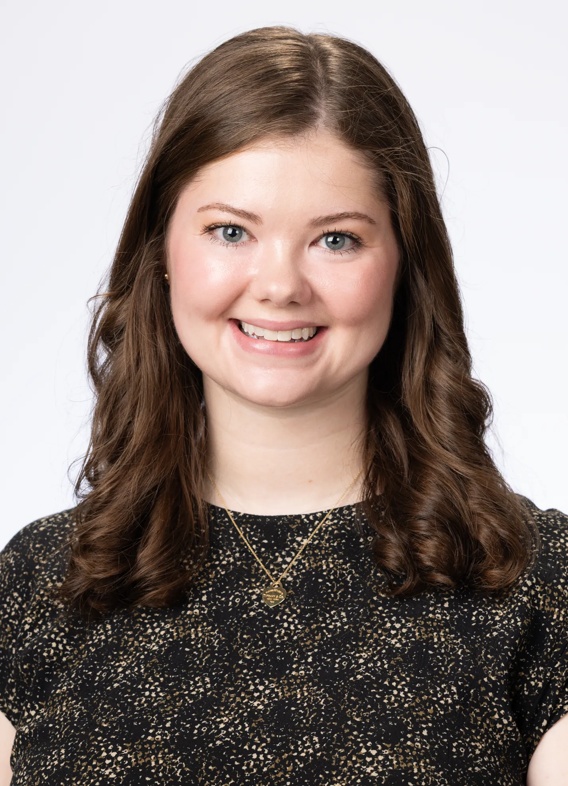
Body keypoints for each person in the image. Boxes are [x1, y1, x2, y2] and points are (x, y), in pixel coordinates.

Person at [0, 25, 567, 786]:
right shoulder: (38, 583)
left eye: (335, 241)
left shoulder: (539, 581)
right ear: (161, 253)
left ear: (404, 264)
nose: (279, 286)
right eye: (230, 231)